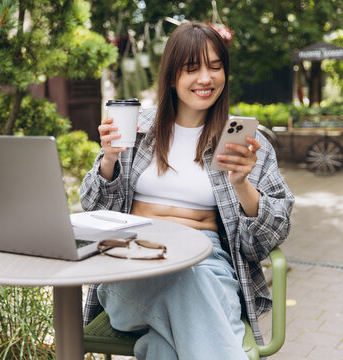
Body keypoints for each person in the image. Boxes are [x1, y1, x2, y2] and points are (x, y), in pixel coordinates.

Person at [80, 22, 294, 360]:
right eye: (192, 68)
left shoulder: (247, 143)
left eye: (215, 66)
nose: (206, 78)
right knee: (188, 289)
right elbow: (93, 208)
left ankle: (155, 347)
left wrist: (242, 185)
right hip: (132, 266)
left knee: (167, 342)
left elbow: (268, 237)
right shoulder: (136, 128)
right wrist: (108, 159)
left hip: (208, 264)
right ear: (171, 76)